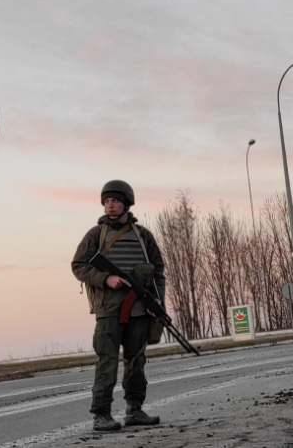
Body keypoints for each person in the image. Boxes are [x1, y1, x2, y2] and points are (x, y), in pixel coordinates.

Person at [71, 180, 166, 432]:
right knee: (107, 362)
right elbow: (78, 265)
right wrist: (105, 278)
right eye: (106, 202)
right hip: (109, 310)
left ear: (126, 203)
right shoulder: (95, 235)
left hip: (139, 310)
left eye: (114, 201)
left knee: (136, 361)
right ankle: (101, 415)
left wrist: (157, 303)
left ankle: (134, 410)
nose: (110, 206)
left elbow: (158, 271)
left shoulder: (142, 235)